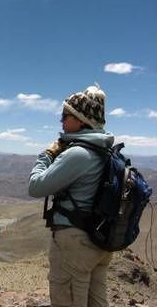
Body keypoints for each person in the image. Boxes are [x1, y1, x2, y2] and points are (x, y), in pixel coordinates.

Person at [28, 84, 115, 307]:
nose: (62, 121)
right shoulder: (104, 150)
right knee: (96, 301)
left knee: (66, 299)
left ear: (80, 119)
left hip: (75, 245)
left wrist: (46, 155)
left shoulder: (78, 153)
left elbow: (36, 186)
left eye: (65, 115)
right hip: (99, 242)